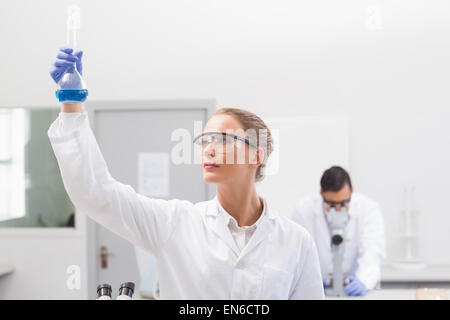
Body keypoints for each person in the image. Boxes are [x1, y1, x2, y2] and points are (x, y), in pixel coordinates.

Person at [47, 46, 324, 299]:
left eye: (223, 139)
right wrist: (71, 104)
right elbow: (95, 193)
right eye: (204, 141)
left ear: (256, 154)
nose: (209, 149)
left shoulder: (296, 241)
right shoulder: (175, 223)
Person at [291, 166, 385, 296]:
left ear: (351, 192)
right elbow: (297, 256)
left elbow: (372, 251)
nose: (337, 209)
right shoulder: (304, 210)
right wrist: (311, 280)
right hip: (317, 291)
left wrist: (363, 280)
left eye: (343, 203)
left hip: (355, 290)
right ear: (321, 193)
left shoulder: (368, 210)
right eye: (331, 204)